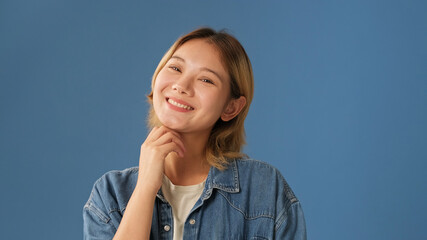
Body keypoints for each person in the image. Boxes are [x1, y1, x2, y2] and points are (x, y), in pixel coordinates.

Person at [83, 27, 307, 240]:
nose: (181, 85)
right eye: (175, 68)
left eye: (206, 80)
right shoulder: (110, 194)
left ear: (231, 108)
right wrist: (145, 187)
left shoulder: (265, 189)